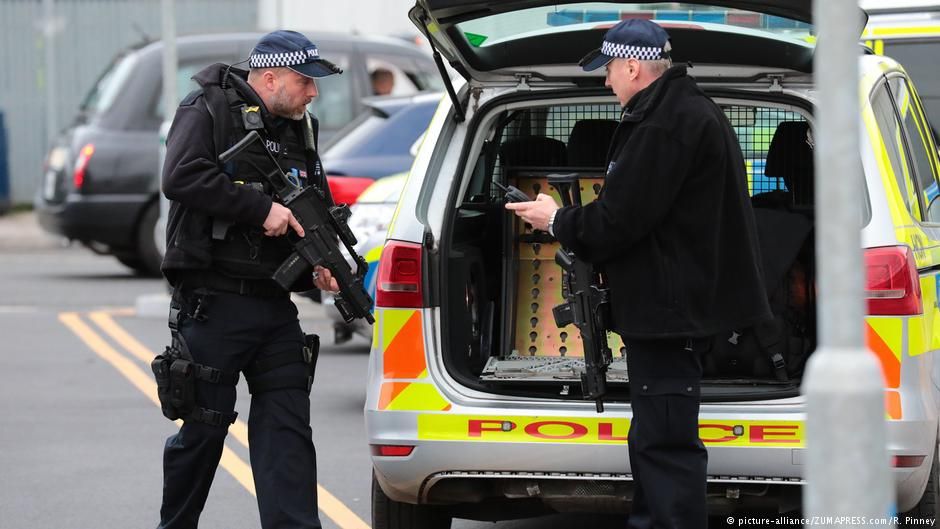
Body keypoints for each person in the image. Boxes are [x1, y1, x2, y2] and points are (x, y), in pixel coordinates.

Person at [505, 19, 771, 528]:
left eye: (608, 70)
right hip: (673, 308)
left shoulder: (665, 125)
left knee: (666, 447)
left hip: (670, 314)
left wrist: (555, 219)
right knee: (655, 439)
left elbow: (618, 220)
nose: (606, 82)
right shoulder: (683, 112)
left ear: (632, 66)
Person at [157, 30, 342, 529]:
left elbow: (310, 208)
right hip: (213, 304)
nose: (313, 93)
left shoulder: (300, 127)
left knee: (287, 432)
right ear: (270, 76)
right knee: (203, 431)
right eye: (305, 81)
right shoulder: (207, 108)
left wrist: (320, 267)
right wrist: (260, 209)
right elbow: (181, 176)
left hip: (274, 306)